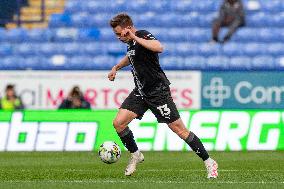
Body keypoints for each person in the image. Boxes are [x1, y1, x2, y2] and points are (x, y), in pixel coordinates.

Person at [108, 13, 218, 178]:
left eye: (119, 33)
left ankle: (209, 162)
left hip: (158, 92)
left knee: (179, 129)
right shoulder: (130, 43)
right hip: (141, 91)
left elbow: (159, 47)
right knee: (119, 123)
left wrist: (134, 37)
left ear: (128, 28)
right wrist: (116, 67)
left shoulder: (141, 35)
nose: (118, 37)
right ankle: (136, 154)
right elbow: (131, 57)